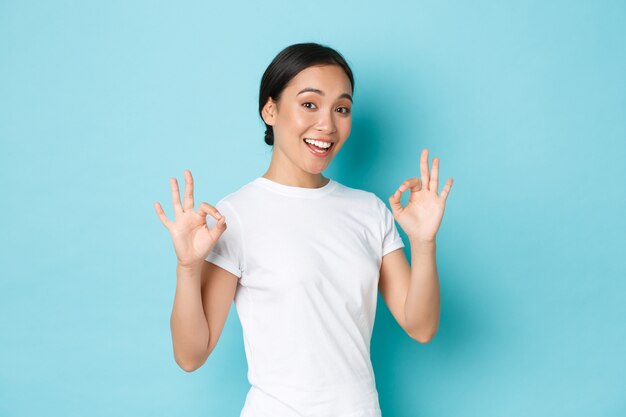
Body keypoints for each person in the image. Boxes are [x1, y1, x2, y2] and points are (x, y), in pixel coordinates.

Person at [154, 42, 454, 417]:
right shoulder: (237, 215)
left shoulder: (369, 211)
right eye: (309, 104)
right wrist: (186, 268)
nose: (327, 124)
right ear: (270, 109)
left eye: (341, 109)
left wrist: (423, 243)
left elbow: (421, 326)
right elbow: (190, 355)